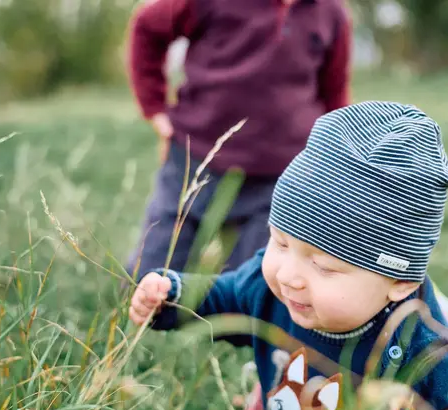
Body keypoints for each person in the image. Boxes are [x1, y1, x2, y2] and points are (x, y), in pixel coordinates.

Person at [129, 101, 448, 410]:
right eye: (280, 242)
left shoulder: (422, 355)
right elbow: (222, 299)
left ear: (399, 281)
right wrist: (171, 296)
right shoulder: (269, 282)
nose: (289, 275)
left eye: (323, 266)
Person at [125, 0, 353, 280]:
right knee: (148, 275)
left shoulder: (331, 13)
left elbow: (334, 93)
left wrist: (333, 156)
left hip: (277, 179)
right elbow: (148, 26)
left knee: (251, 289)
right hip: (194, 160)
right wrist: (155, 109)